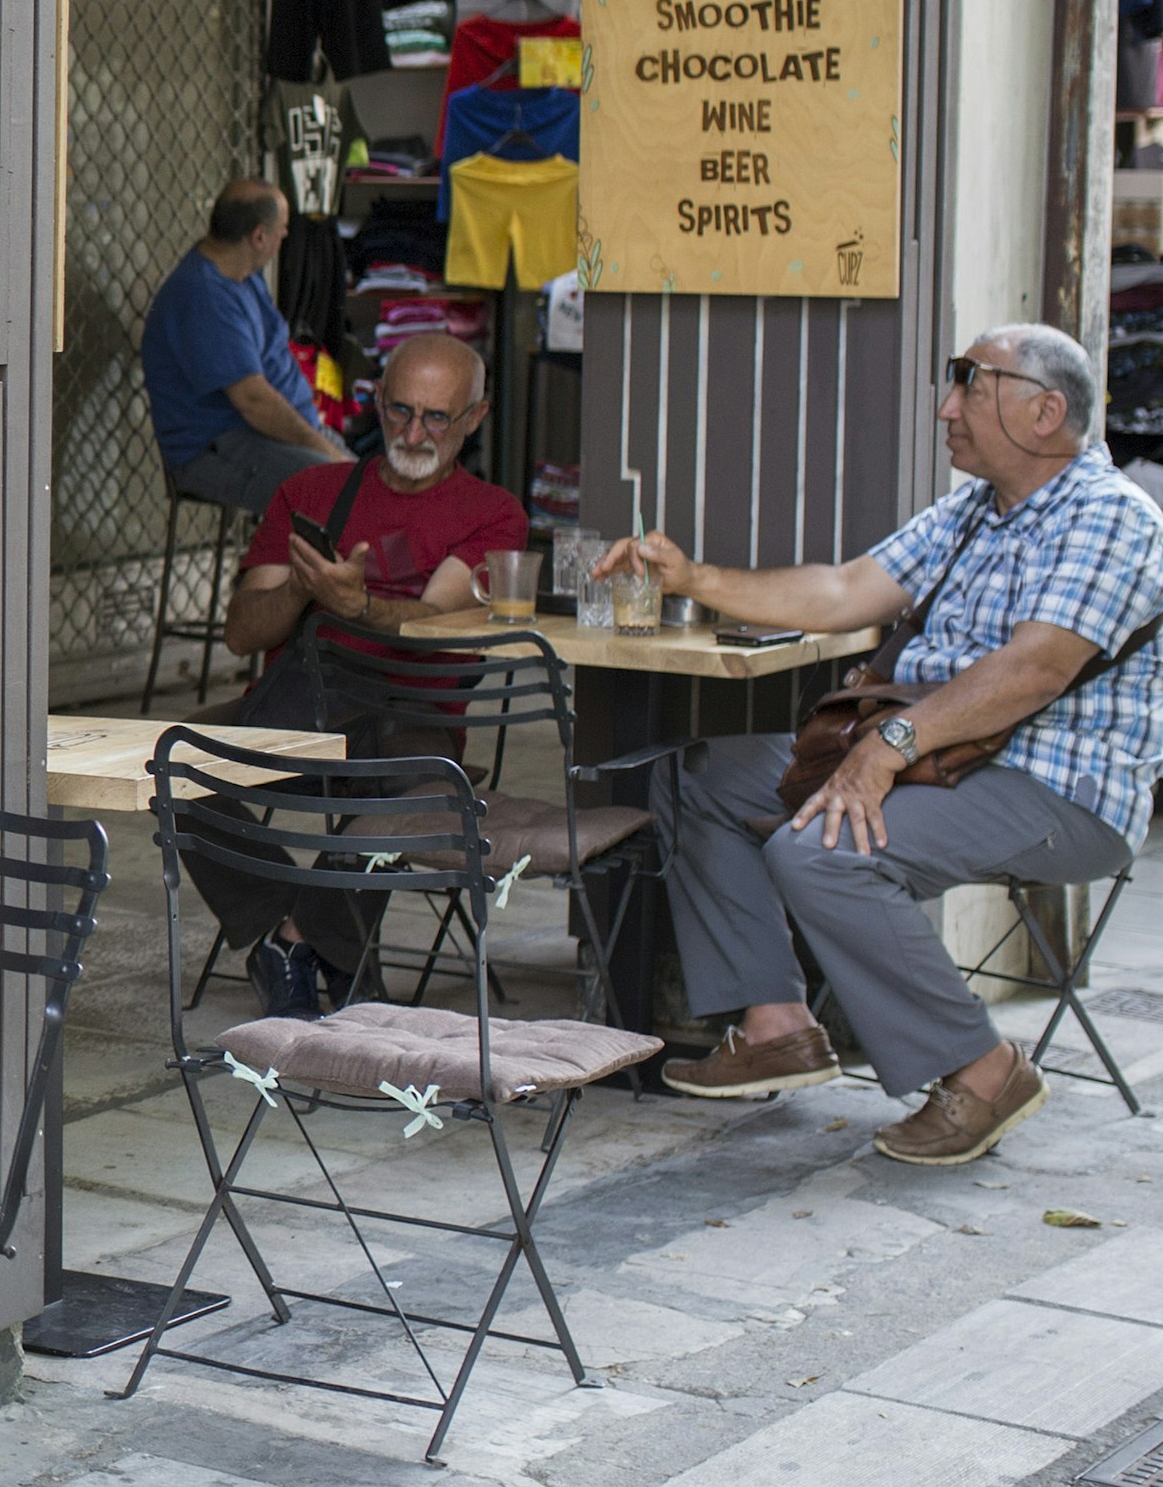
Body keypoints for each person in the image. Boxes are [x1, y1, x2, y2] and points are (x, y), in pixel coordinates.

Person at [604, 323, 1163, 1166]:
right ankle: (777, 1023)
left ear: (1046, 412)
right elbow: (845, 588)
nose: (947, 408)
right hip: (938, 761)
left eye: (971, 385)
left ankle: (983, 1070)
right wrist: (695, 580)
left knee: (825, 851)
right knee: (704, 776)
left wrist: (887, 747)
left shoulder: (1112, 517)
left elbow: (1035, 670)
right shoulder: (976, 511)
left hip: (1058, 788)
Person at [203, 330, 528, 1015]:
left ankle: (295, 942)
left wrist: (358, 604)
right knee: (173, 765)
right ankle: (279, 928)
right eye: (400, 410)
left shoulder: (493, 513)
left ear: (474, 418)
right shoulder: (311, 489)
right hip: (303, 709)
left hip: (412, 722)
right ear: (376, 402)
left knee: (400, 795)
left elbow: (439, 622)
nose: (414, 431)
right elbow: (241, 633)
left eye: (437, 417)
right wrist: (302, 589)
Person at [145, 180, 347, 516]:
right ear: (258, 237)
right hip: (219, 445)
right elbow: (254, 402)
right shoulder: (204, 295)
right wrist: (322, 447)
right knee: (337, 493)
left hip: (276, 434)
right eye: (281, 231)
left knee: (374, 489)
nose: (284, 238)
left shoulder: (243, 275)